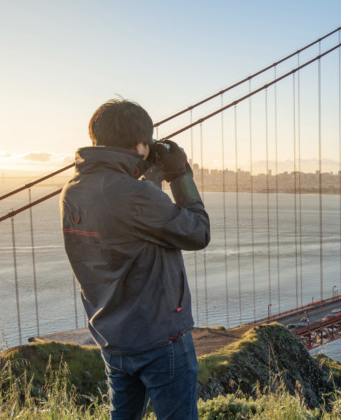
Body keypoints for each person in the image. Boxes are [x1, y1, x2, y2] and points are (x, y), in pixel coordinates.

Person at [60, 98, 210, 419]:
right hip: (160, 340)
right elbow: (198, 232)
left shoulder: (73, 190)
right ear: (141, 145)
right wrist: (180, 175)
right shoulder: (136, 196)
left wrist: (149, 174)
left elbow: (131, 216)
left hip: (113, 338)